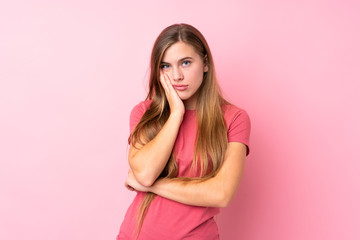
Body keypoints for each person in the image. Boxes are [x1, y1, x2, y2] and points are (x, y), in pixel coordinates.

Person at [116, 23, 251, 240]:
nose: (176, 75)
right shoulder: (144, 112)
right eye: (166, 66)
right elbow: (145, 173)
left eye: (185, 63)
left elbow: (221, 194)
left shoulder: (234, 118)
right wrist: (176, 113)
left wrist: (153, 185)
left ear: (205, 63)